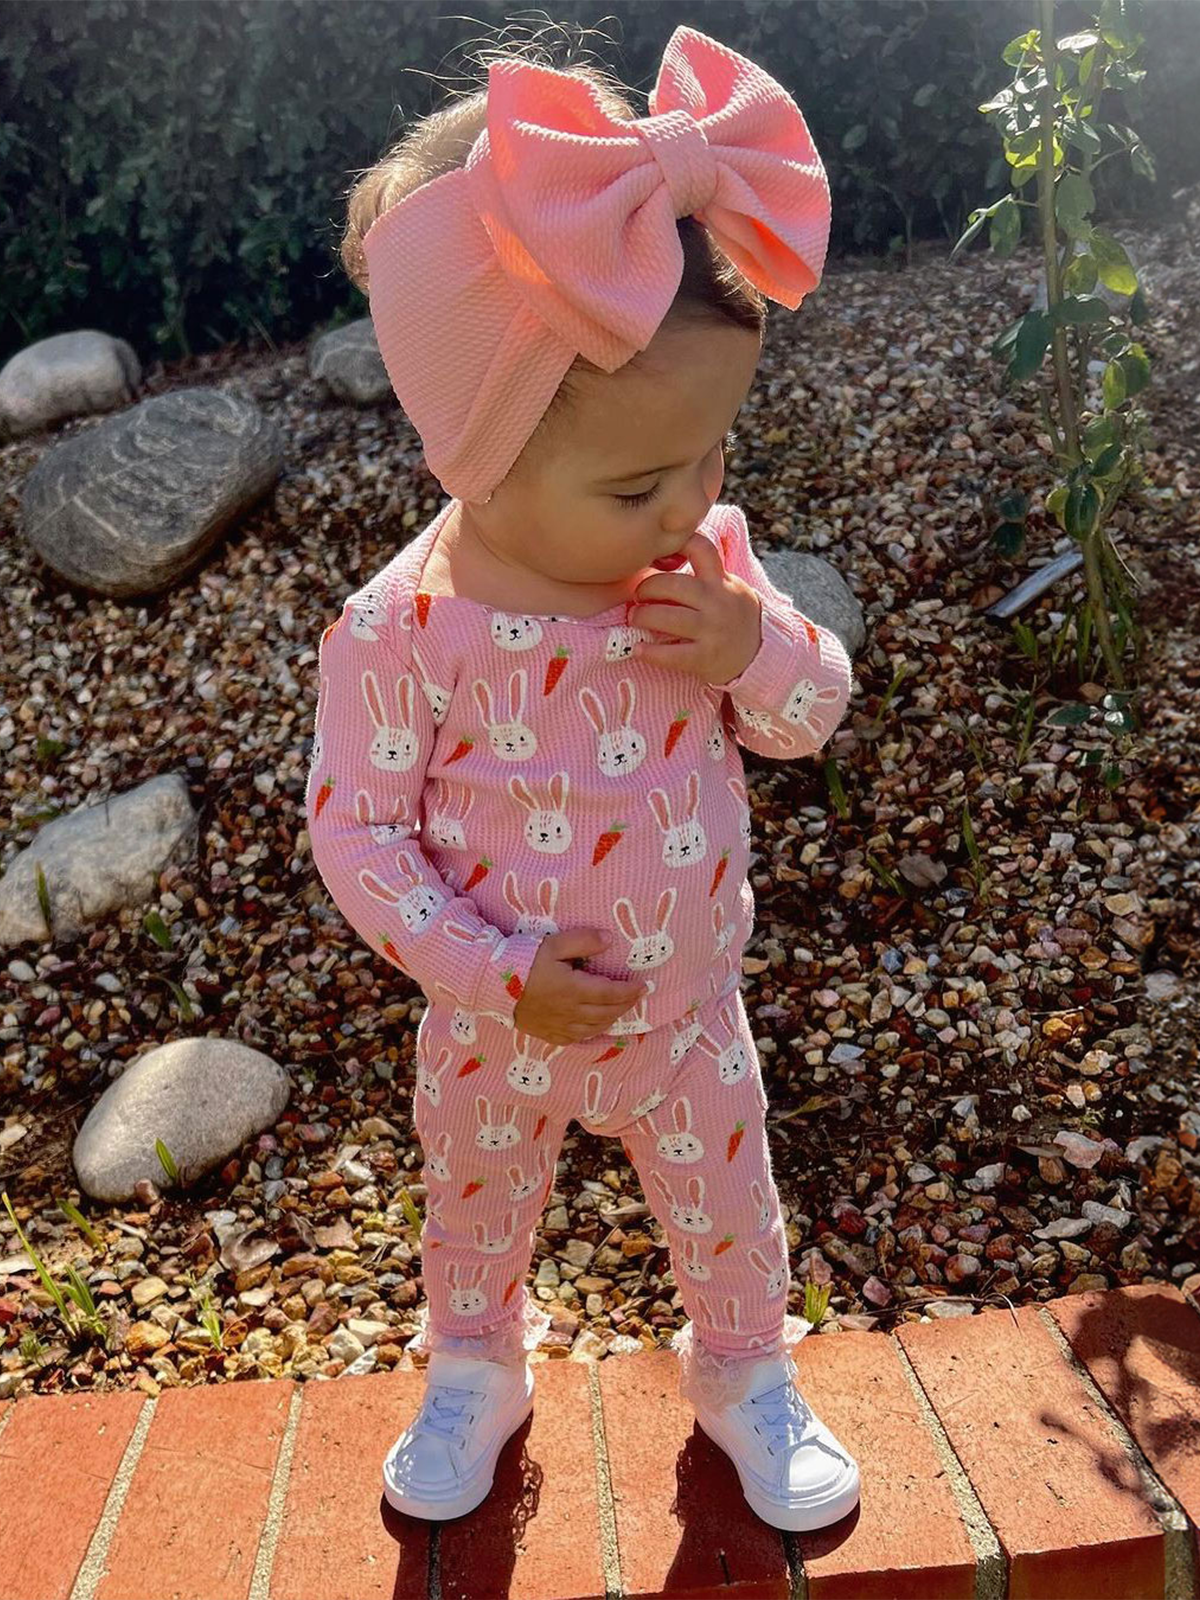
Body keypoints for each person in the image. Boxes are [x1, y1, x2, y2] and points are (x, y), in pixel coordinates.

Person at [307, 22, 860, 1533]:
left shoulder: (704, 570)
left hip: (689, 1009)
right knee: (473, 1212)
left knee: (730, 1216)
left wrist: (752, 647)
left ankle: (744, 1372)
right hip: (494, 1027)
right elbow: (358, 837)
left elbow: (814, 708)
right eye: (639, 480)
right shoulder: (401, 631)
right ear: (470, 451)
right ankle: (477, 1365)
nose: (690, 502)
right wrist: (491, 970)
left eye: (711, 454)